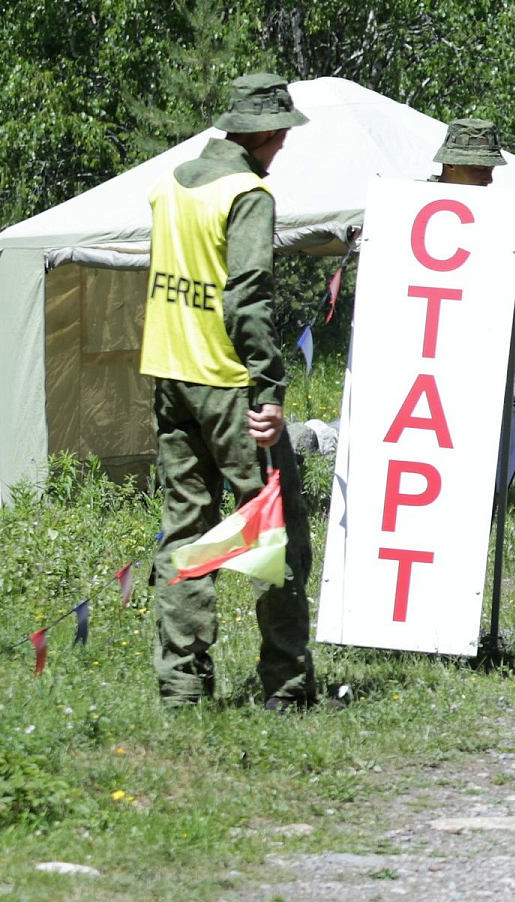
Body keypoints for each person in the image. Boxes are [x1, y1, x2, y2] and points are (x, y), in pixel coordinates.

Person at [141, 72, 317, 709]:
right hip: (230, 386)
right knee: (274, 530)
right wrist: (268, 391)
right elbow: (247, 297)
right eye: (282, 136)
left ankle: (182, 688)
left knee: (187, 532)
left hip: (169, 376)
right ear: (265, 131)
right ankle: (287, 688)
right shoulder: (247, 192)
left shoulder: (170, 183)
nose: (283, 148)